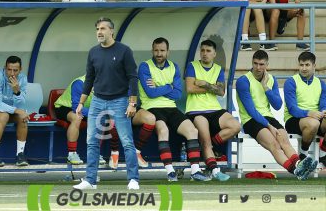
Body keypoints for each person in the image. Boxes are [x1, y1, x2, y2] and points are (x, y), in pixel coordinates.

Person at [73, 17, 139, 190]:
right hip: (97, 101)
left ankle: (133, 179)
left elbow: (133, 77)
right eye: (97, 29)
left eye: (103, 28)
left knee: (126, 141)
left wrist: (132, 102)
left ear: (112, 31)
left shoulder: (124, 51)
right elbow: (89, 79)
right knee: (92, 142)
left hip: (120, 100)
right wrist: (81, 103)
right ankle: (90, 180)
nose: (99, 32)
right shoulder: (93, 52)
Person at [236, 50, 318, 180]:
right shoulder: (243, 81)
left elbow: (278, 105)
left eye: (262, 64)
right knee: (274, 144)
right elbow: (251, 110)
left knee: (285, 142)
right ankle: (295, 170)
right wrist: (269, 126)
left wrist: (266, 88)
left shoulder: (271, 79)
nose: (258, 67)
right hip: (250, 120)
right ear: (252, 62)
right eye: (255, 63)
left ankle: (299, 164)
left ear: (267, 64)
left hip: (268, 117)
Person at [138, 37, 211, 181]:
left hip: (171, 107)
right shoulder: (144, 66)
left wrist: (160, 86)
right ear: (152, 51)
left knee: (192, 130)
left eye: (162, 50)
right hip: (152, 107)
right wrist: (169, 86)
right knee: (163, 130)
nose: (159, 54)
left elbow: (178, 94)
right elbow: (150, 93)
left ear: (168, 52)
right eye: (156, 50)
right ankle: (170, 172)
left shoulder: (174, 66)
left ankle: (195, 171)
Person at [185, 40, 240, 181]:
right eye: (202, 50)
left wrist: (204, 83)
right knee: (205, 138)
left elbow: (221, 92)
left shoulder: (218, 69)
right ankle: (215, 171)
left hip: (214, 109)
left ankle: (208, 147)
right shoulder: (192, 66)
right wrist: (211, 88)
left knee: (235, 126)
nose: (205, 54)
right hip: (196, 111)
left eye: (208, 51)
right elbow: (190, 88)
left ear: (214, 54)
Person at [284, 51, 323, 174]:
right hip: (293, 119)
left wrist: (323, 111)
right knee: (313, 124)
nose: (304, 68)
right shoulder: (291, 82)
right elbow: (292, 109)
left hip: (314, 117)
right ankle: (303, 154)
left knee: (317, 122)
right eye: (301, 65)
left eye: (307, 65)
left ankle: (323, 155)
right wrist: (309, 113)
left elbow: (323, 104)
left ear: (314, 66)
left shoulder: (321, 83)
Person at [54, 75, 107, 165]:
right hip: (65, 107)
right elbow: (76, 107)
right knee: (77, 118)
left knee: (101, 119)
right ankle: (71, 154)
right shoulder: (79, 83)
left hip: (88, 109)